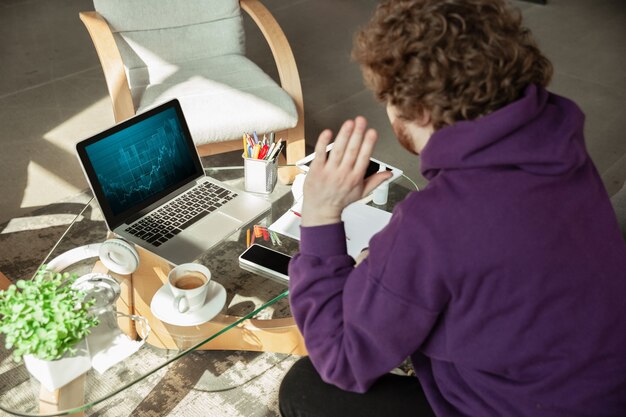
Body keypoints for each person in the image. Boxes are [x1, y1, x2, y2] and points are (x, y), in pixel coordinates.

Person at [278, 0, 626, 416]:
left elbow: (341, 359)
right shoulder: (558, 140)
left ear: (418, 110)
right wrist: (399, 266)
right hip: (600, 386)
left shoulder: (433, 224)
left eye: (386, 99)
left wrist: (319, 216)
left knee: (305, 387)